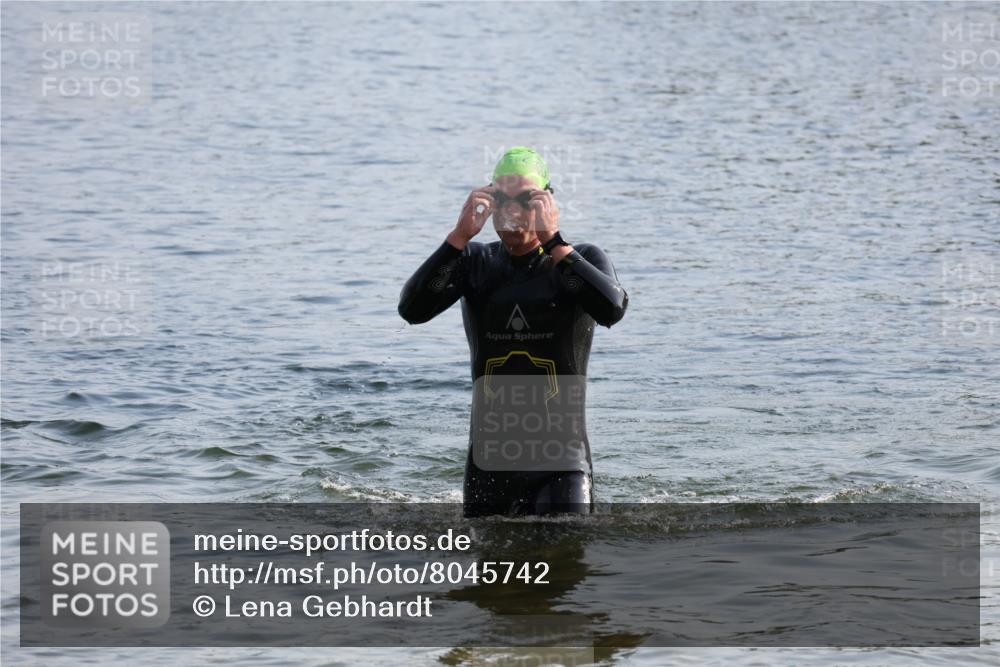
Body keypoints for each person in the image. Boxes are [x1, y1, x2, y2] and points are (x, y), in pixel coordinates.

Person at [398, 147, 628, 517]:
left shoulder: (580, 259)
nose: (512, 210)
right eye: (501, 199)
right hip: (488, 465)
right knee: (484, 555)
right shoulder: (473, 262)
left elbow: (612, 310)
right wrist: (458, 237)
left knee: (565, 551)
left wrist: (554, 242)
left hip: (561, 465)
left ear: (547, 202)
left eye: (526, 199)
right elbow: (412, 310)